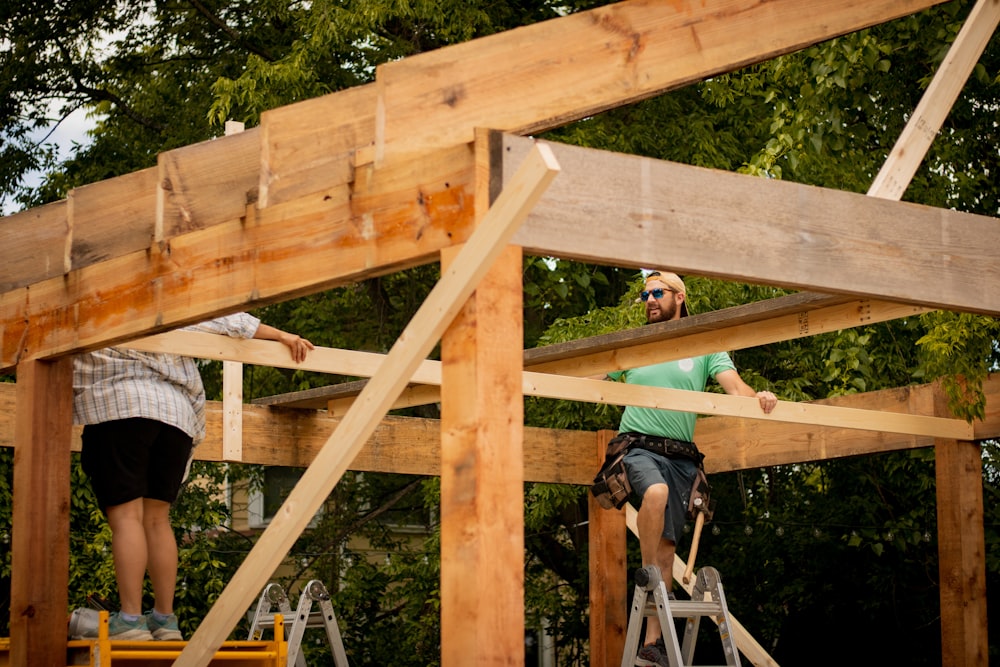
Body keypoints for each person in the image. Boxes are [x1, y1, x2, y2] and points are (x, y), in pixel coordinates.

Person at [73, 313, 314, 641]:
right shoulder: (168, 302)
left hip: (120, 406)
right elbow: (229, 320)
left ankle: (130, 620)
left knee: (126, 517)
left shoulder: (97, 301)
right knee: (157, 520)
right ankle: (164, 620)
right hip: (176, 417)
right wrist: (283, 334)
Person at [604, 271, 776, 666]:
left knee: (667, 550)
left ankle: (654, 644)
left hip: (681, 458)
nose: (648, 299)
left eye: (657, 292)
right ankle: (647, 576)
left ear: (679, 298)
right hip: (637, 446)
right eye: (644, 294)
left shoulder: (705, 346)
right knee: (655, 496)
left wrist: (761, 397)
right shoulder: (633, 344)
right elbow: (591, 373)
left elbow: (737, 390)